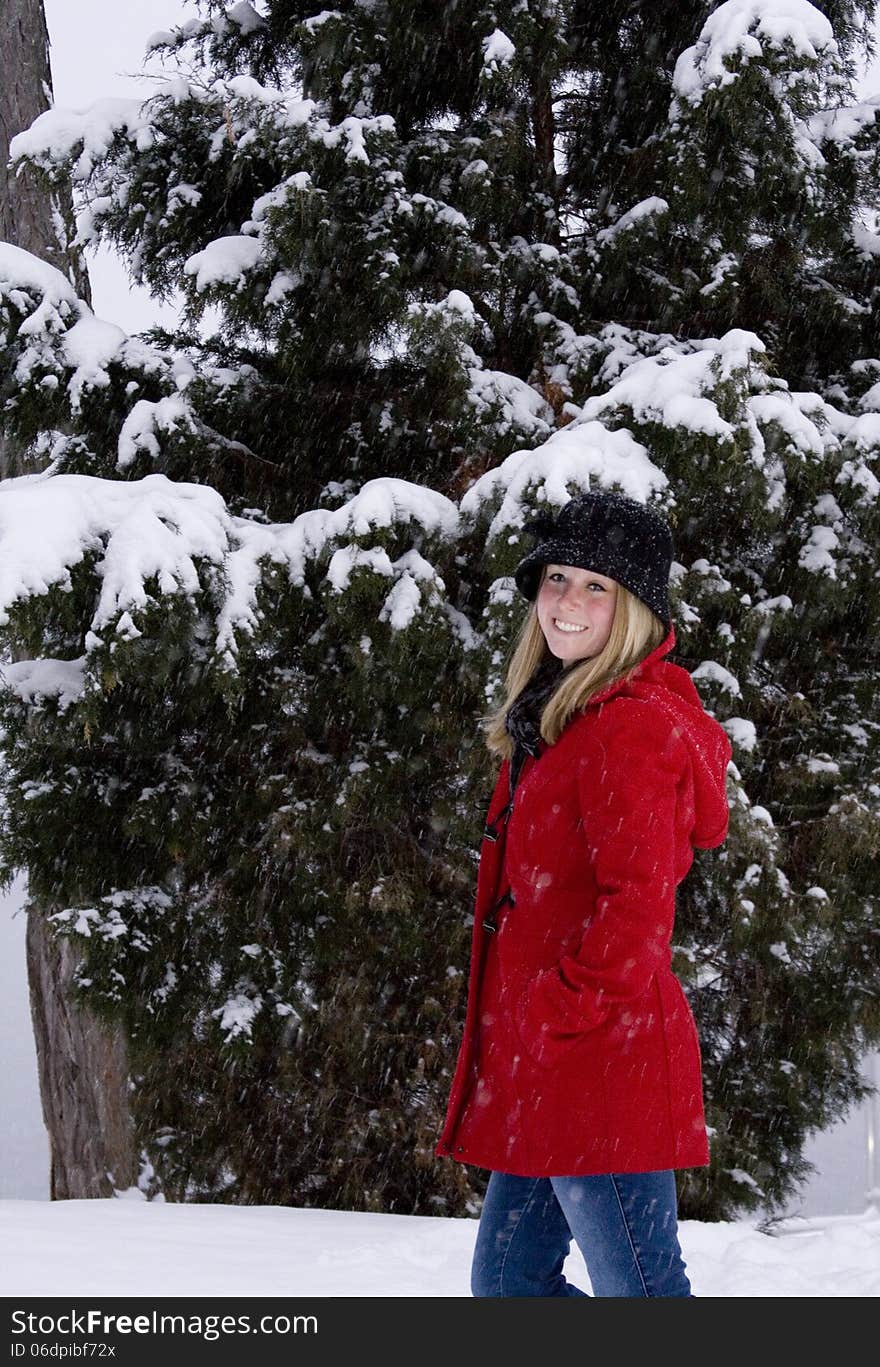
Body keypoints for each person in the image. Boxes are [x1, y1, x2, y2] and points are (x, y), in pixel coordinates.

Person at [435, 490, 733, 1297]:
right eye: (557, 577)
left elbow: (637, 913)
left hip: (602, 1057)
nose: (567, 601)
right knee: (508, 1284)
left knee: (641, 1293)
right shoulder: (558, 714)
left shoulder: (625, 727)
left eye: (595, 585)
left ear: (631, 606)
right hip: (554, 1062)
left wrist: (553, 1011)